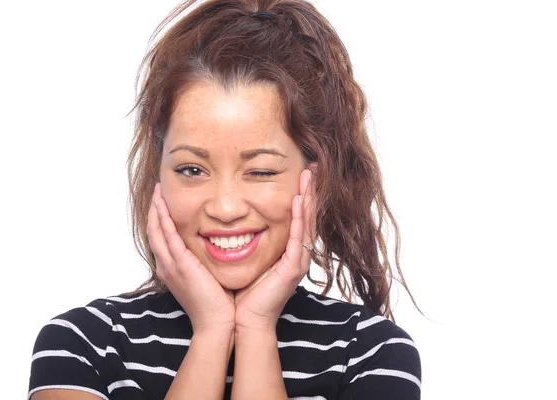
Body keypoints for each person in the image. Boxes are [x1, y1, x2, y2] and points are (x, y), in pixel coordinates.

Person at [28, 0, 422, 399]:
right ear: (157, 173)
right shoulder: (83, 345)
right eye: (192, 170)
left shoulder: (372, 353)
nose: (226, 207)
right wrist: (212, 329)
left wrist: (256, 326)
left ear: (314, 181)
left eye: (261, 171)